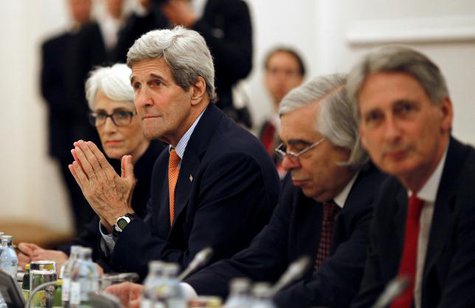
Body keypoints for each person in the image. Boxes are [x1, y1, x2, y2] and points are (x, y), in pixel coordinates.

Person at [106, 74, 387, 308]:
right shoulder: (300, 187)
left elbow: (331, 289)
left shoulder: (381, 198)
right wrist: (177, 294)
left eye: (301, 148)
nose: (288, 163)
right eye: (285, 147)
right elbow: (256, 261)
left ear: (349, 144)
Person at [68, 26, 280, 279]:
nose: (142, 100)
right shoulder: (167, 159)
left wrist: (120, 216)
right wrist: (111, 218)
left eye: (156, 84)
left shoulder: (233, 160)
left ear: (196, 89)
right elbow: (151, 252)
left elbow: (194, 273)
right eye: (137, 86)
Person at [347, 46, 475, 308]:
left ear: (445, 113)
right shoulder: (390, 193)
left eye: (404, 110)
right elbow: (371, 299)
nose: (391, 133)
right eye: (375, 117)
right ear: (362, 134)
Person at [18, 64, 165, 271]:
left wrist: (96, 268)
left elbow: (150, 254)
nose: (108, 128)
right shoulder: (115, 163)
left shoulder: (164, 165)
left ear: (144, 113)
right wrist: (61, 254)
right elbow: (94, 236)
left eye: (121, 114)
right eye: (101, 115)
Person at [40, 0, 97, 235]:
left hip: (95, 133)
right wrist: (80, 106)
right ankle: (79, 243)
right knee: (74, 200)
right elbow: (46, 89)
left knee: (95, 200)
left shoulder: (100, 40)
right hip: (64, 134)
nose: (80, 7)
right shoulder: (51, 44)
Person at [158, 0, 253, 123]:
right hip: (166, 110)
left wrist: (195, 24)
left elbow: (242, 65)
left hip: (217, 110)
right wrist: (142, 9)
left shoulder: (232, 6)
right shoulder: (161, 6)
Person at [258, 47, 306, 178]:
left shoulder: (306, 128)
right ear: (265, 78)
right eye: (274, 71)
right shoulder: (266, 126)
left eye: (289, 72)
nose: (280, 79)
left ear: (302, 79)